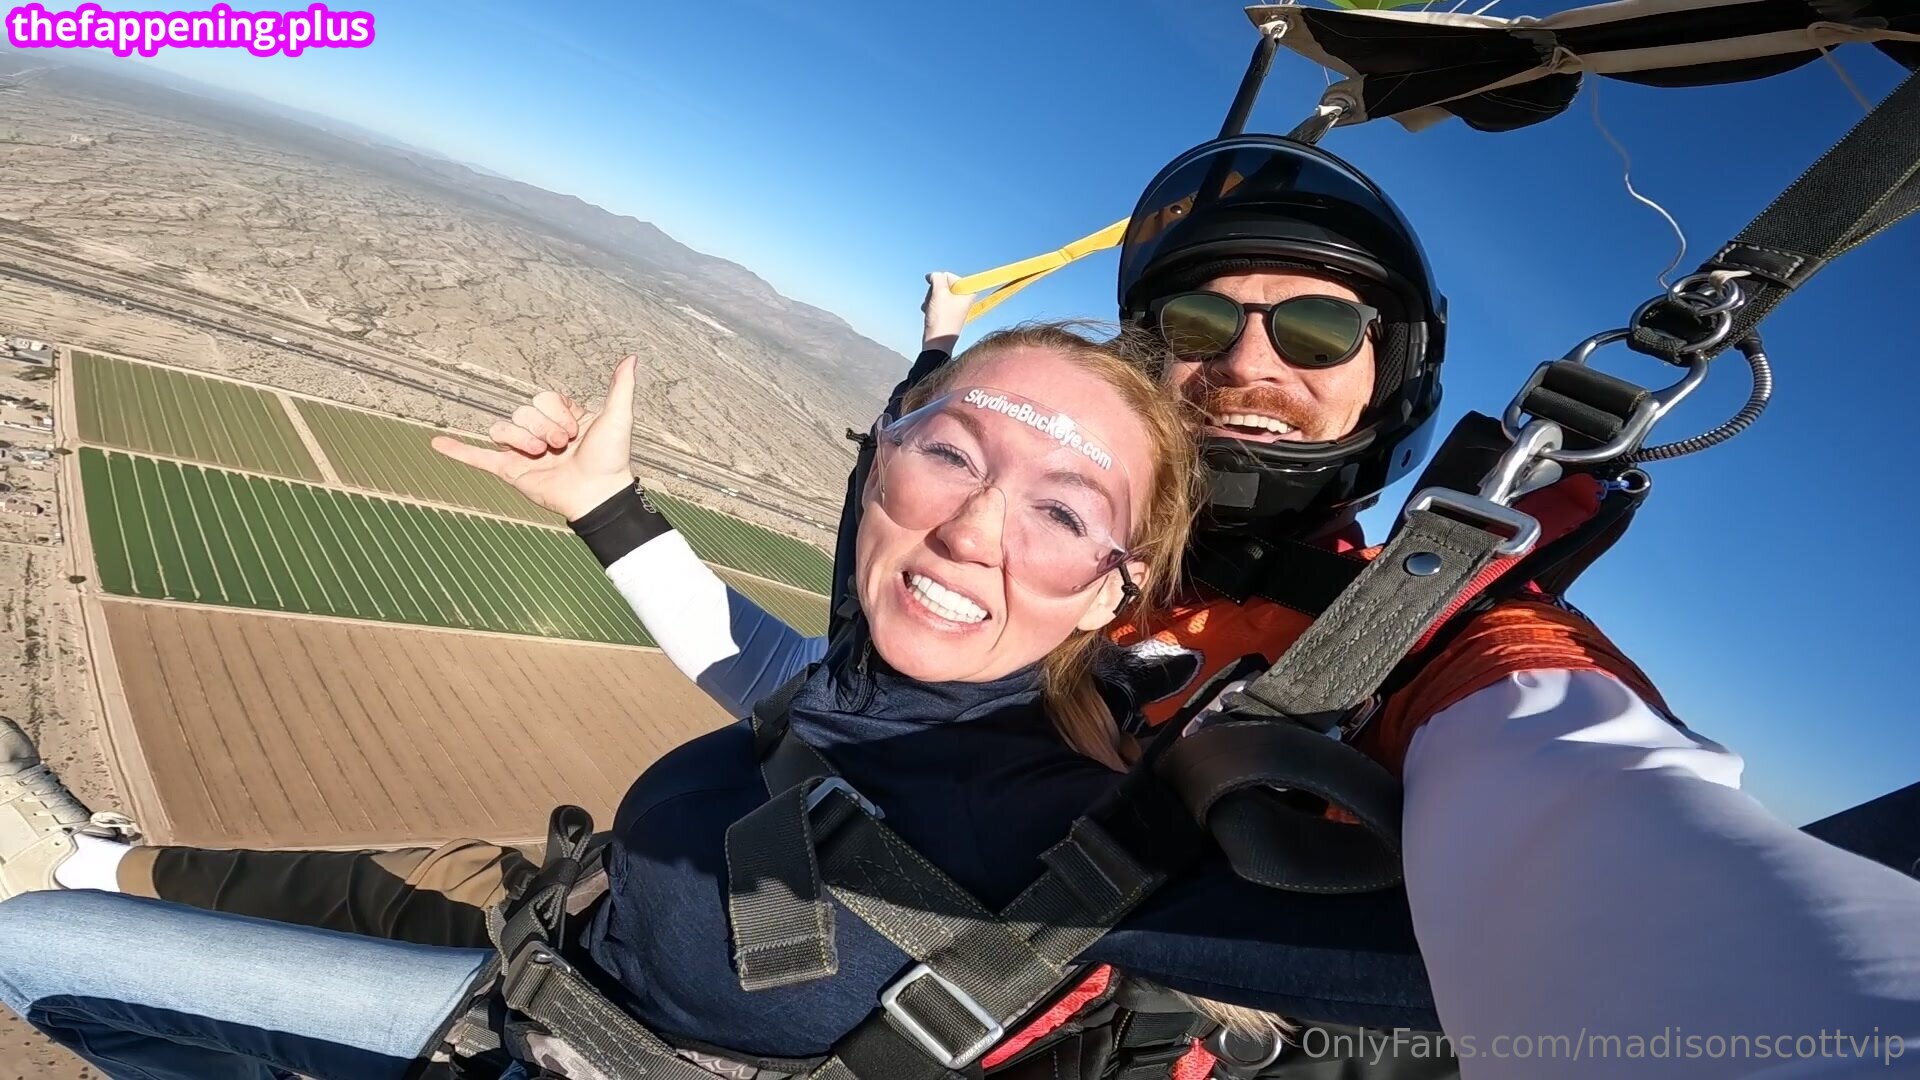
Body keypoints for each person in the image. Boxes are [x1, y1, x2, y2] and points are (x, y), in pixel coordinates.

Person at [0, 324, 1452, 1080]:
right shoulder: (864, 691)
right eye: (950, 454)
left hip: (552, 1041)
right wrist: (604, 505)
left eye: (1063, 512)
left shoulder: (1070, 839)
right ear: (878, 468)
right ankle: (106, 855)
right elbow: (751, 670)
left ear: (1108, 596)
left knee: (43, 953)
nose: (970, 529)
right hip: (554, 949)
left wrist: (1517, 703)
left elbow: (1493, 981)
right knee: (310, 890)